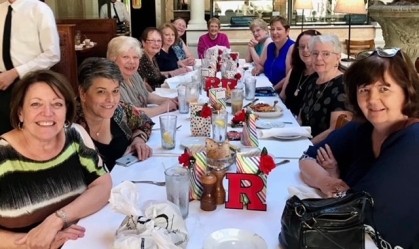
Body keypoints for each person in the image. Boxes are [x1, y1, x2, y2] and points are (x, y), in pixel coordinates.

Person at [299, 48, 419, 248]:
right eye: (364, 89)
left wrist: (340, 184)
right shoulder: (363, 127)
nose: (372, 99)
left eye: (384, 89)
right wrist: (327, 180)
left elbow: (363, 212)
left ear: (407, 92)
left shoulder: (413, 141)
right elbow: (306, 158)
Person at [0, 70, 111, 249]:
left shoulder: (75, 135)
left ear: (66, 110)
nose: (47, 113)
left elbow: (103, 185)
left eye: (57, 104)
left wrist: (58, 219)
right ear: (20, 112)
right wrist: (31, 244)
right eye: (36, 104)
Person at [75, 57, 155, 170]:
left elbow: (145, 121)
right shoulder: (68, 126)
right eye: (101, 92)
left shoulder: (119, 110)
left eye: (115, 91)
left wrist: (138, 139)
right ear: (83, 93)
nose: (111, 100)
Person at [0, 0, 60, 135]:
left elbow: (52, 54)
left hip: (30, 82)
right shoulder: (0, 10)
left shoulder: (39, 9)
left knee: (27, 133)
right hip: (1, 82)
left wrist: (15, 73)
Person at [107, 36, 178, 117]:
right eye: (125, 57)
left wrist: (168, 101)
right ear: (113, 58)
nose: (132, 62)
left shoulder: (134, 74)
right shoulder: (111, 82)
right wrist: (164, 108)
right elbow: (131, 113)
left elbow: (146, 95)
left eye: (135, 57)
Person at [299, 34, 351, 144]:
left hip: (324, 151)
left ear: (338, 57)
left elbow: (335, 130)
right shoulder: (312, 82)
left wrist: (306, 146)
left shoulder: (343, 86)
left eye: (326, 54)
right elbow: (300, 119)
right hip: (302, 141)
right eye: (315, 53)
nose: (318, 58)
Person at [280, 30, 321, 116]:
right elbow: (282, 96)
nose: (305, 50)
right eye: (302, 47)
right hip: (285, 119)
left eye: (310, 46)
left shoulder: (321, 76)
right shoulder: (295, 70)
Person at [251, 16, 294, 91]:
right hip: (266, 87)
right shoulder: (270, 46)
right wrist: (257, 69)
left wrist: (273, 89)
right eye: (272, 29)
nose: (274, 32)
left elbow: (289, 77)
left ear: (287, 31)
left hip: (281, 91)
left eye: (279, 29)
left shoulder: (292, 48)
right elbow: (261, 65)